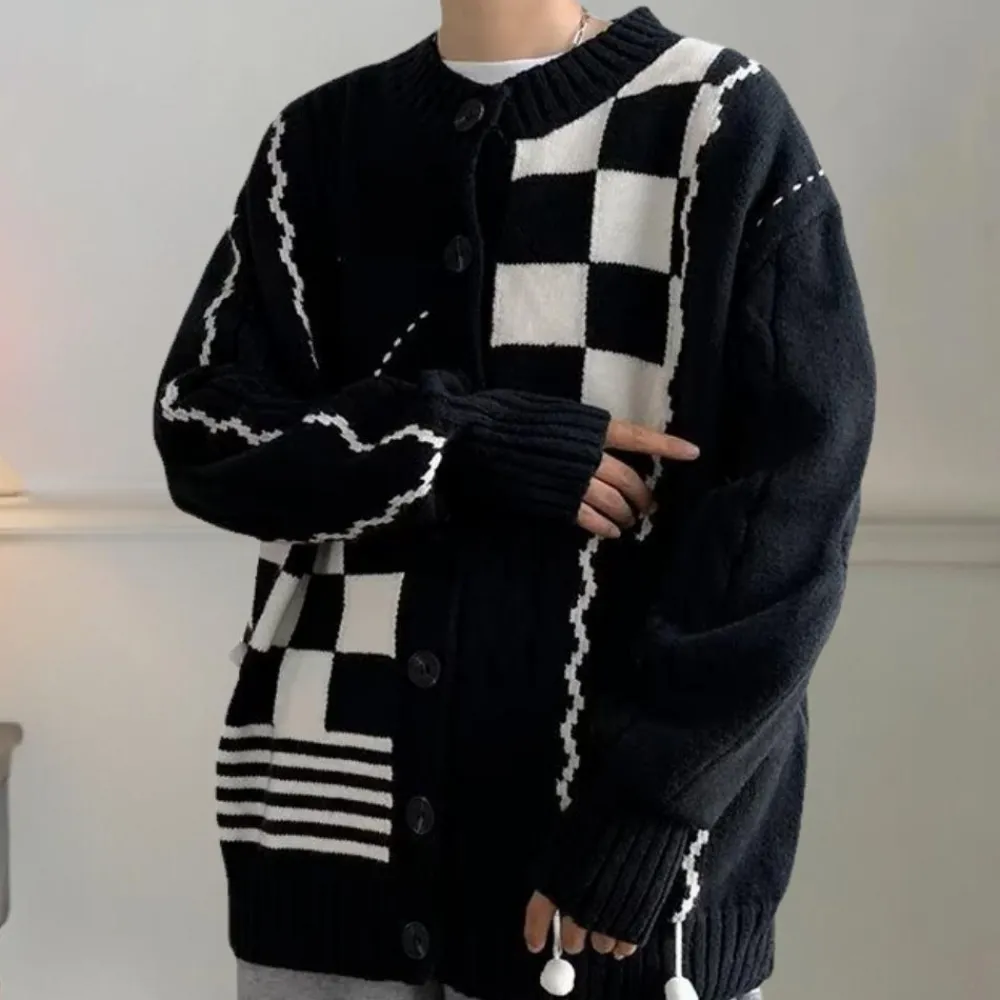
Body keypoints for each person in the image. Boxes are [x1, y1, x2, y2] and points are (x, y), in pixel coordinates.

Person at [153, 3, 875, 1000]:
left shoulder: (716, 120)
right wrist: (463, 443)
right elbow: (200, 426)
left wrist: (644, 816)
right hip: (331, 859)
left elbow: (790, 519)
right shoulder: (318, 144)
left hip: (603, 896)